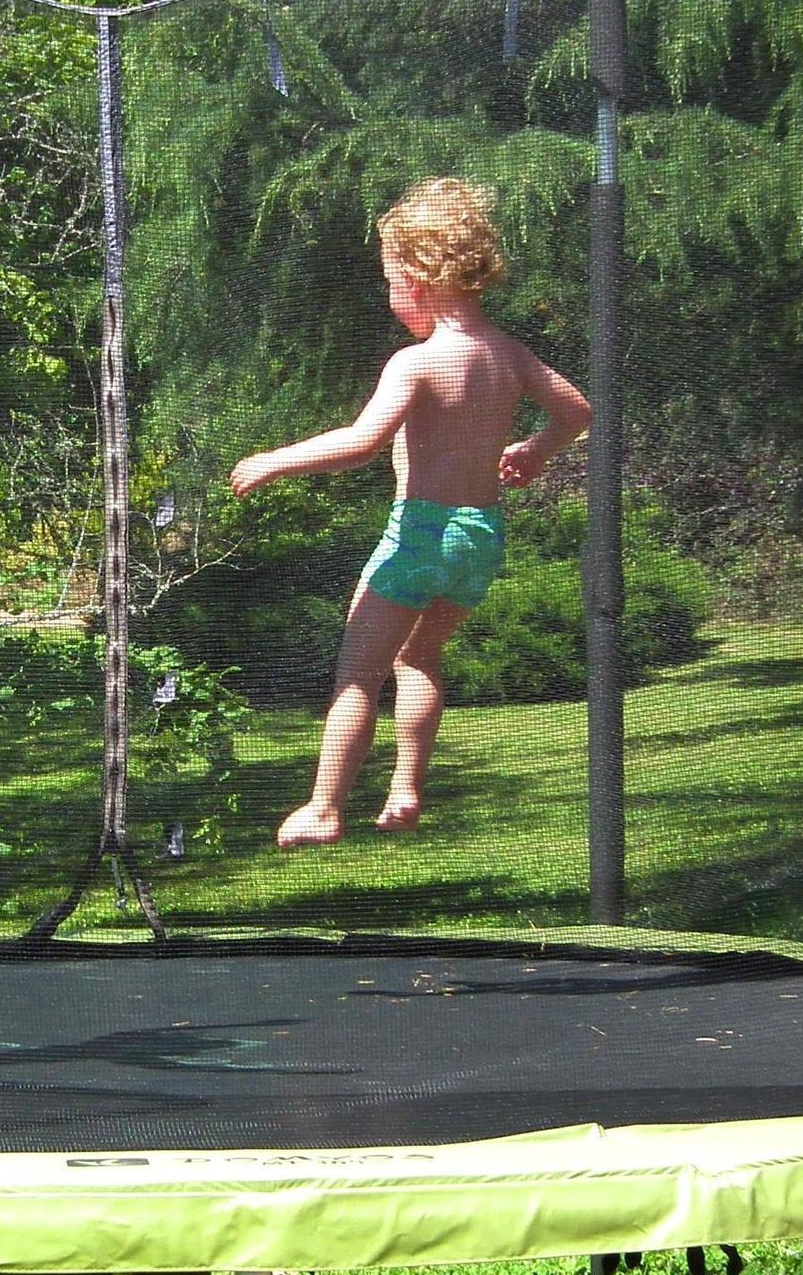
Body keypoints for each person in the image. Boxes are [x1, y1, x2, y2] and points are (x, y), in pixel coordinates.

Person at [229, 178, 591, 848]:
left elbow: (362, 443)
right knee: (419, 657)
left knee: (358, 672)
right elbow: (577, 411)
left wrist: (275, 461)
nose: (391, 297)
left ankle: (324, 808)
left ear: (417, 282)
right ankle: (405, 789)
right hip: (479, 537)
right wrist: (536, 451)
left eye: (391, 283)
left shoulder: (417, 362)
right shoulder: (508, 354)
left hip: (420, 534)